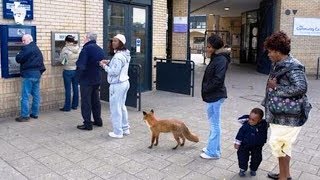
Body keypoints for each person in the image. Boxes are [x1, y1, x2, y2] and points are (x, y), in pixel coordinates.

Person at [262, 31, 311, 180]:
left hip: (289, 117)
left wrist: (277, 88)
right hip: (280, 114)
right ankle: (285, 174)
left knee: (278, 145)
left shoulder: (293, 66)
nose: (268, 54)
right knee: (284, 146)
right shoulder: (278, 64)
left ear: (278, 51)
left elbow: (301, 88)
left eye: (270, 51)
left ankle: (283, 177)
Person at [200, 34, 231, 159]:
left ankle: (213, 152)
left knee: (215, 125)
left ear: (215, 48)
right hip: (213, 95)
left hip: (215, 96)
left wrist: (206, 89)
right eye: (207, 46)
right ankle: (213, 148)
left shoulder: (220, 60)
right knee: (214, 124)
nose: (207, 49)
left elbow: (218, 79)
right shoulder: (216, 57)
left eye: (209, 47)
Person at [100, 34, 131, 138]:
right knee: (122, 106)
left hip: (117, 84)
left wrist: (104, 65)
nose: (113, 43)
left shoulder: (117, 56)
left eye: (116, 41)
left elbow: (114, 72)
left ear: (121, 43)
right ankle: (125, 128)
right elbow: (120, 64)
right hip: (124, 82)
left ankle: (118, 132)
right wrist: (109, 62)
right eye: (112, 41)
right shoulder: (125, 53)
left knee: (115, 109)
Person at [76, 32, 105, 130]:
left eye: (84, 37)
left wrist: (77, 78)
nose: (83, 39)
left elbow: (81, 65)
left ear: (88, 38)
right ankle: (98, 120)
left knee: (86, 102)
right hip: (96, 79)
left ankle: (87, 124)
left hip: (86, 80)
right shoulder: (100, 49)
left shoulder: (86, 49)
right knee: (95, 101)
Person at [15, 34, 46, 122]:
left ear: (29, 40)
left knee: (25, 95)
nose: (23, 42)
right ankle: (35, 113)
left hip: (28, 75)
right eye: (22, 40)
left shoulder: (27, 48)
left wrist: (18, 54)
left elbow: (18, 59)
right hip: (37, 74)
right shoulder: (36, 48)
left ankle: (25, 116)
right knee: (36, 94)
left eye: (24, 40)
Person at [234, 108, 268, 177]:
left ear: (260, 120)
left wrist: (262, 142)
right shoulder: (246, 125)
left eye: (253, 120)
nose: (250, 121)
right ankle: (242, 169)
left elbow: (270, 122)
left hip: (257, 146)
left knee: (257, 158)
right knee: (242, 157)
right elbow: (240, 134)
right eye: (249, 118)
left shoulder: (263, 125)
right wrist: (237, 143)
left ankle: (253, 169)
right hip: (244, 145)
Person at [59, 35, 80, 112]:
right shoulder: (78, 48)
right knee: (75, 88)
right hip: (76, 70)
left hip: (68, 70)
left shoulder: (65, 49)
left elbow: (62, 61)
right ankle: (75, 105)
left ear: (66, 41)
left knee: (68, 89)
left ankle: (67, 107)